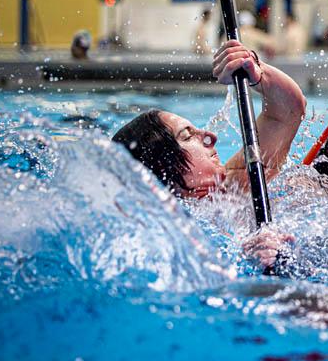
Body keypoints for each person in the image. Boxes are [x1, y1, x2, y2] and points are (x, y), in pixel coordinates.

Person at [112, 39, 306, 269]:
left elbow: (287, 111)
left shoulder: (238, 180)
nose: (210, 137)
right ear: (162, 168)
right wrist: (250, 257)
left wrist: (255, 70)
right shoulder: (165, 237)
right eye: (187, 135)